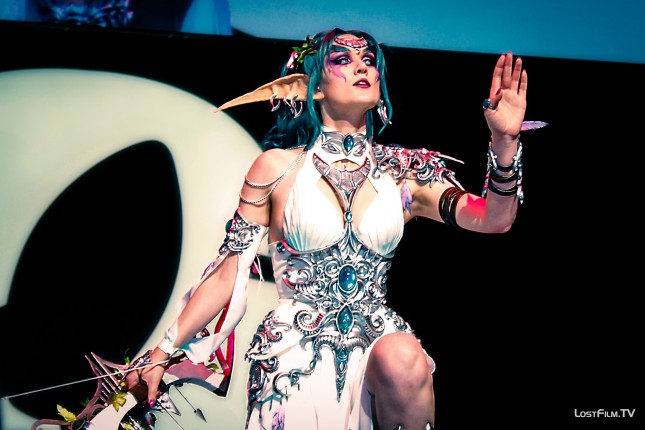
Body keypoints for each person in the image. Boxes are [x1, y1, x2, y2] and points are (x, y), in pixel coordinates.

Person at [123, 27, 528, 430]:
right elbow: (227, 273)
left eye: (368, 60)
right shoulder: (277, 169)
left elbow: (495, 219)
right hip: (293, 357)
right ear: (314, 87)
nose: (361, 67)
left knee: (403, 355)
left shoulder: (404, 173)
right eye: (342, 60)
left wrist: (504, 143)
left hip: (378, 354)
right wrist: (162, 351)